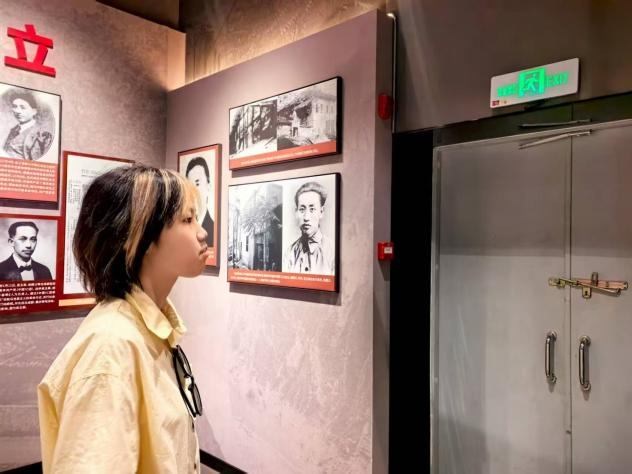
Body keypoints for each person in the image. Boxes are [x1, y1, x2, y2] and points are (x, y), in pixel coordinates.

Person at [38, 164, 210, 473]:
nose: (202, 232)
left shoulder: (151, 330)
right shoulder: (111, 348)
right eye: (187, 219)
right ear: (139, 237)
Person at [284, 181, 335, 275]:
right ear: (296, 212)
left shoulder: (333, 252)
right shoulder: (289, 253)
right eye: (302, 209)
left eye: (312, 209)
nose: (306, 217)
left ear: (321, 212)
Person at [3, 89, 53, 160]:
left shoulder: (42, 135)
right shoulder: (14, 130)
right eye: (14, 106)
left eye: (23, 107)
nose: (17, 111)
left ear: (34, 111)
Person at [185, 156, 214, 247]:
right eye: (189, 186)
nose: (193, 191)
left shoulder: (213, 229)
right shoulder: (183, 230)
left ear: (208, 186)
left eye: (197, 183)